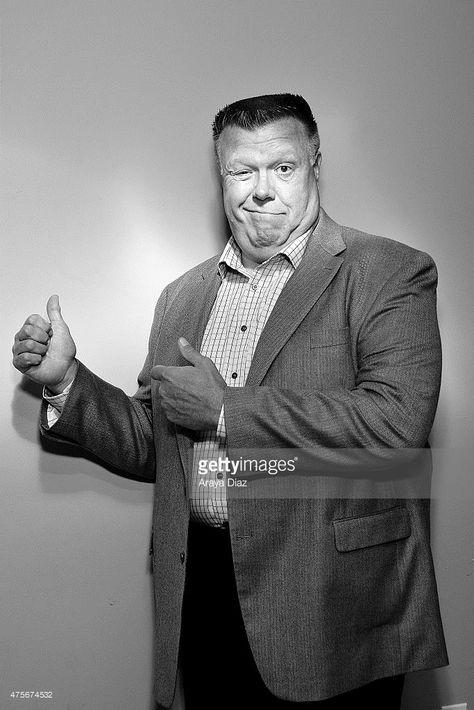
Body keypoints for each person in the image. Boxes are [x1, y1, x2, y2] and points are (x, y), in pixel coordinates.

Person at [12, 93, 448, 709]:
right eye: (243, 171)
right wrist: (66, 381)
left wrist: (226, 410)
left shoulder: (389, 272)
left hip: (330, 597)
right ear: (222, 175)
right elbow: (154, 442)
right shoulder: (181, 297)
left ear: (315, 166)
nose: (262, 190)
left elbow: (396, 425)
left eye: (283, 168)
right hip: (203, 587)